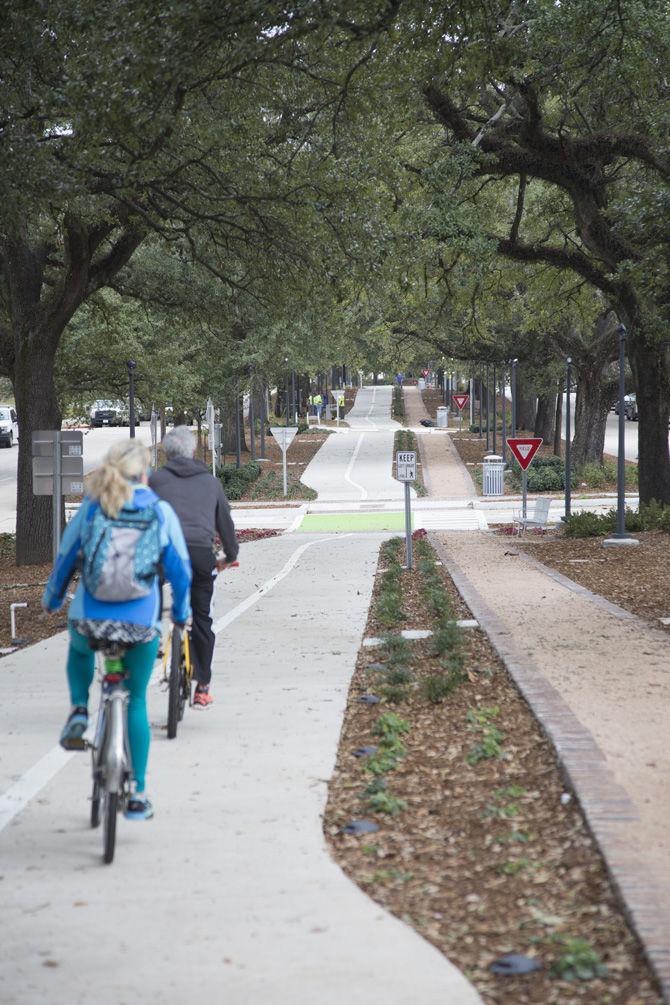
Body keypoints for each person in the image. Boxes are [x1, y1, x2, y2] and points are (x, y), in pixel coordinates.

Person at [42, 440, 192, 821]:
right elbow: (180, 571)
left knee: (78, 650)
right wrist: (181, 614)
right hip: (140, 623)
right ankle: (138, 793)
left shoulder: (93, 506)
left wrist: (53, 598)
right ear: (145, 474)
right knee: (137, 699)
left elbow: (66, 558)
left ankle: (79, 709)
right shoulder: (159, 511)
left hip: (89, 618)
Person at [149, 426, 238, 708]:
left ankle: (152, 637)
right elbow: (225, 524)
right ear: (193, 451)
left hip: (163, 553)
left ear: (166, 453)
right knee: (202, 618)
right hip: (200, 555)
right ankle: (202, 686)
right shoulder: (211, 483)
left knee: (150, 584)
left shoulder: (155, 480)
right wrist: (229, 555)